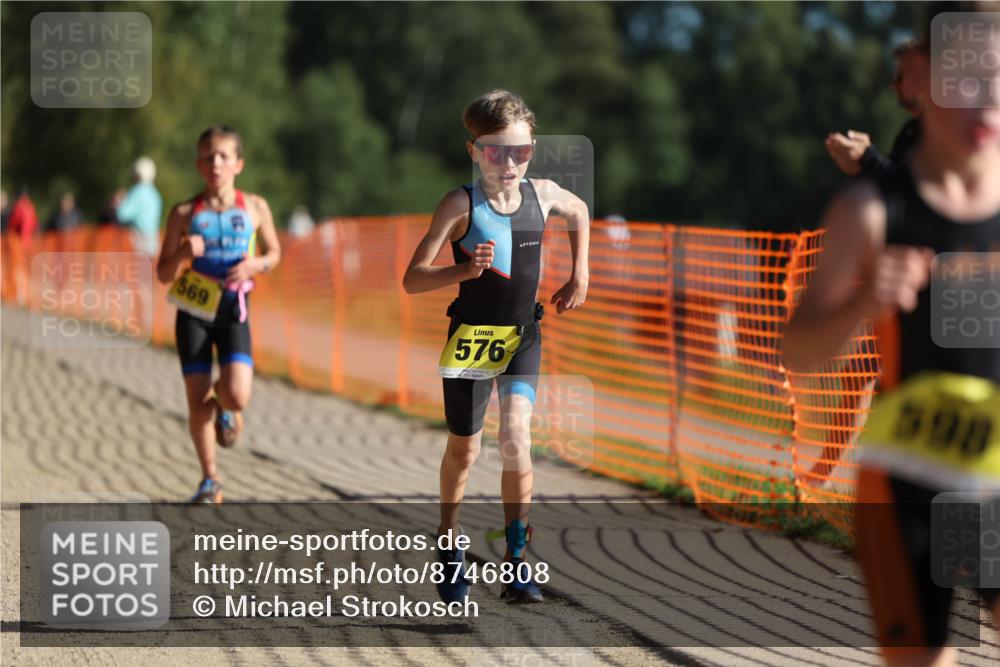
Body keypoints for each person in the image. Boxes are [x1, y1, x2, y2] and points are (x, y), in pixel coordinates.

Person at [784, 5, 1000, 665]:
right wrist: (861, 303)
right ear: (923, 78)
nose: (988, 97)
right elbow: (799, 353)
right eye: (968, 77)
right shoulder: (873, 210)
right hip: (909, 480)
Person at [403, 90, 589, 604]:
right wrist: (464, 270)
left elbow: (579, 210)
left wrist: (581, 273)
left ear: (532, 151)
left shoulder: (542, 194)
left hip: (521, 336)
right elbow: (412, 280)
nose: (509, 164)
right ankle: (448, 541)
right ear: (474, 151)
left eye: (520, 152)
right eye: (495, 152)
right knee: (465, 450)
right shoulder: (460, 204)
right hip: (471, 340)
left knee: (516, 439)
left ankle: (516, 560)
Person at [156, 126, 280, 504]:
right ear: (199, 164)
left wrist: (256, 265)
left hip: (232, 308)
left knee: (237, 395)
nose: (216, 164)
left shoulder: (255, 207)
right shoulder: (183, 213)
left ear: (238, 164)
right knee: (197, 401)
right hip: (193, 310)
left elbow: (274, 253)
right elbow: (163, 274)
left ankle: (226, 408)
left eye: (224, 156)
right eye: (208, 157)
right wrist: (183, 253)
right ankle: (210, 479)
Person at [826, 39, 926, 179]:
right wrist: (861, 167)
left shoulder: (944, 133)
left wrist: (867, 157)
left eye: (899, 77)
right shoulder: (911, 131)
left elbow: (913, 185)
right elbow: (895, 184)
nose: (894, 86)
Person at [118, 157, 163, 257]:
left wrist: (120, 201)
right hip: (153, 246)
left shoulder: (137, 191)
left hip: (137, 246)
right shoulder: (155, 194)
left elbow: (122, 215)